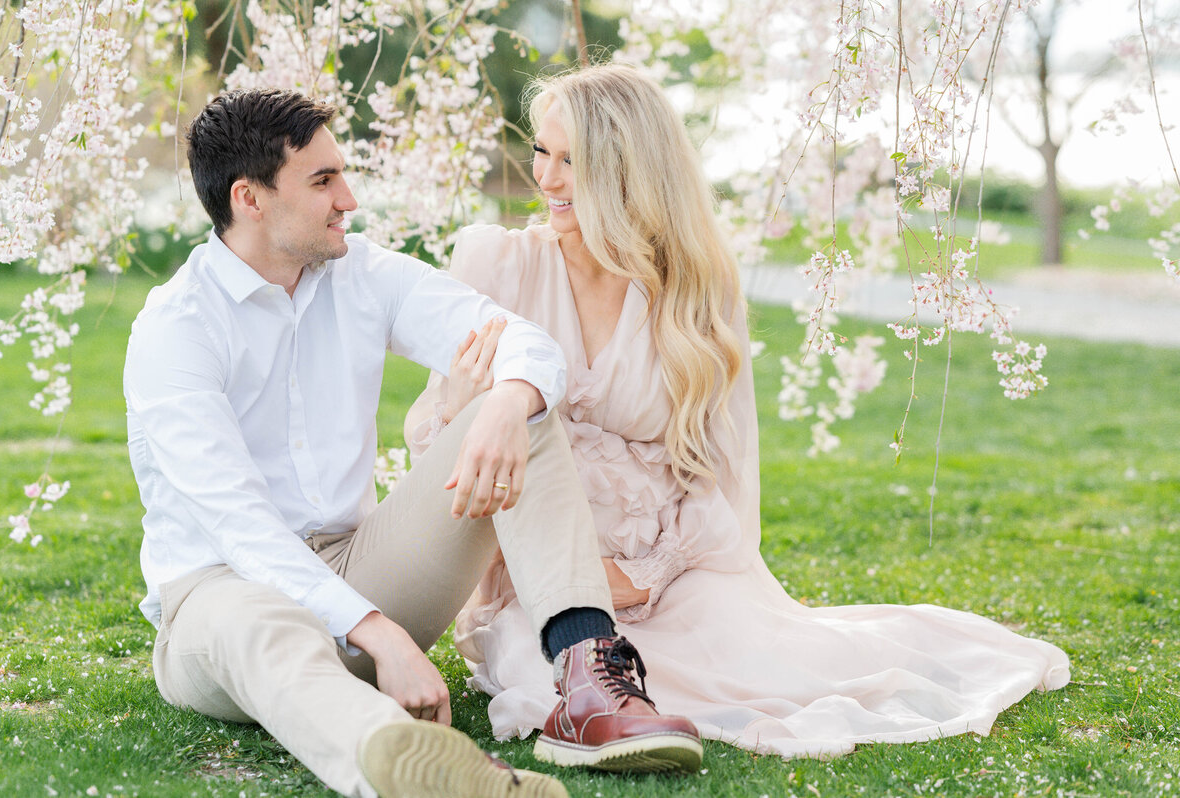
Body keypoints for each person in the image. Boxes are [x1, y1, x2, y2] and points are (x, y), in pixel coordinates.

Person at [404, 63, 1071, 758]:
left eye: (574, 160)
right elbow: (437, 446)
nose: (547, 178)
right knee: (539, 676)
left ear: (629, 170)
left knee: (770, 671)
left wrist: (646, 576)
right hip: (539, 578)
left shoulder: (696, 289)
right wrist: (464, 398)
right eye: (543, 152)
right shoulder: (495, 262)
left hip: (670, 570)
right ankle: (587, 662)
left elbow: (720, 471)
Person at [122, 87, 704, 798]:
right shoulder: (176, 328)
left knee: (521, 407)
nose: (350, 199)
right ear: (250, 199)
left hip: (359, 567)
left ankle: (589, 684)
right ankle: (406, 762)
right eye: (323, 181)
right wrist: (383, 636)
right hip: (219, 597)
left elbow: (524, 341)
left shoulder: (361, 274)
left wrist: (507, 403)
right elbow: (239, 527)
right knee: (259, 621)